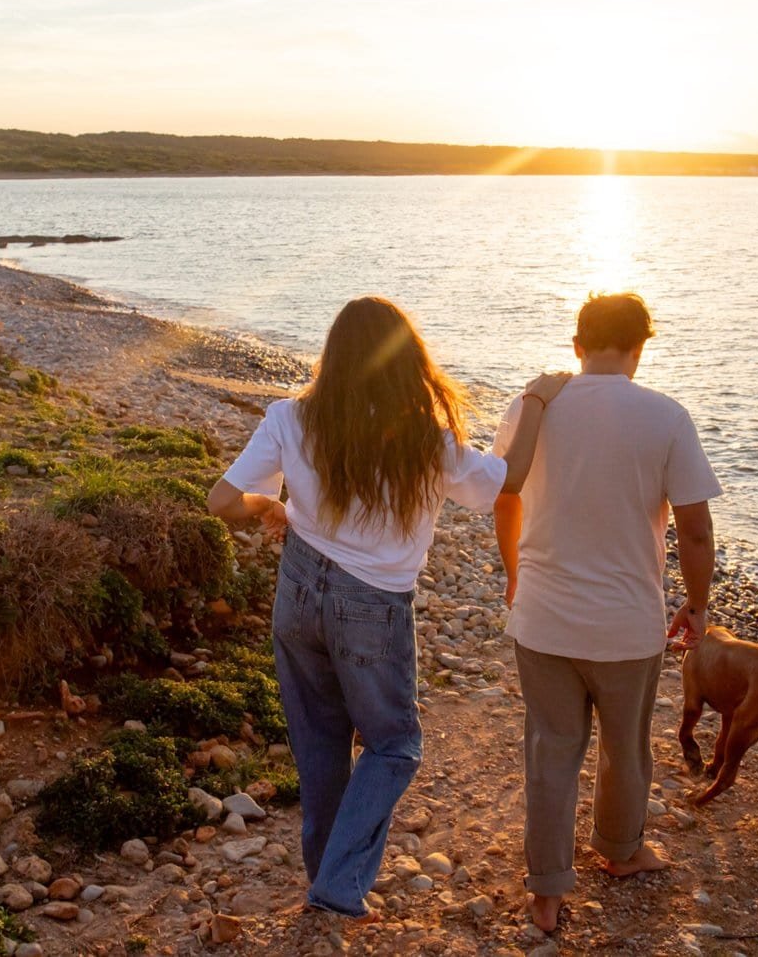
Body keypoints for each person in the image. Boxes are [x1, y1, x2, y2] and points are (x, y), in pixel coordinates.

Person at [208, 296, 569, 922]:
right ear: (407, 362)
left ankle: (326, 878)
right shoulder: (423, 440)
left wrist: (268, 508)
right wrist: (535, 400)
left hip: (297, 589)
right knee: (394, 745)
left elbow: (221, 500)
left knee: (319, 744)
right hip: (370, 603)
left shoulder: (292, 417)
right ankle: (338, 887)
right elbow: (506, 480)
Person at [494, 291, 720, 933]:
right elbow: (695, 528)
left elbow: (504, 498)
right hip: (627, 625)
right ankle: (620, 853)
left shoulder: (532, 406)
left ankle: (546, 891)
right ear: (640, 348)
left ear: (577, 346)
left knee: (551, 749)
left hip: (543, 617)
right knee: (625, 747)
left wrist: (517, 574)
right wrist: (698, 604)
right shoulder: (666, 416)